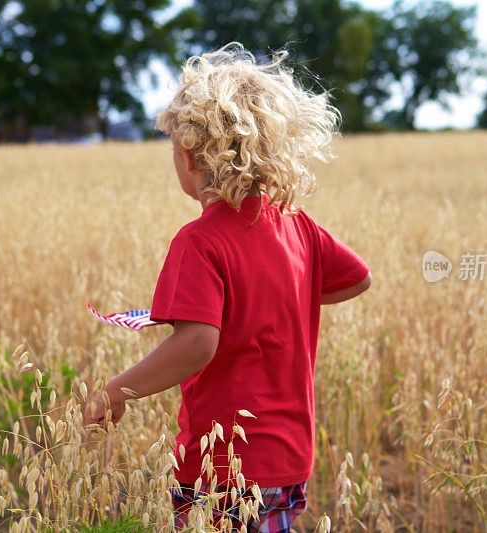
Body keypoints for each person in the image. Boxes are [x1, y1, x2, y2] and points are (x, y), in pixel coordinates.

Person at [83, 42, 371, 532]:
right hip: (289, 458)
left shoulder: (200, 240)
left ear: (190, 156)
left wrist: (116, 392)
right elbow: (357, 277)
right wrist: (279, 297)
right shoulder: (298, 227)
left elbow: (197, 344)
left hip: (224, 465)